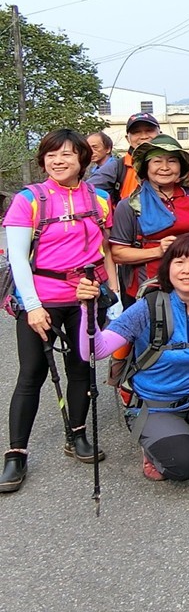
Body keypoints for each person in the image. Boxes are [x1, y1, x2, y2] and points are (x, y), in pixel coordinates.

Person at [73, 234, 189, 483]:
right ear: (168, 268)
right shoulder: (148, 307)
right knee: (183, 467)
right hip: (155, 404)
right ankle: (152, 443)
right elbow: (95, 351)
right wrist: (88, 310)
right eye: (179, 262)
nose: (187, 270)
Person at [1, 130, 115, 493]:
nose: (58, 160)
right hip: (42, 297)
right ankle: (16, 454)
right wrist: (32, 306)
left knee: (81, 367)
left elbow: (106, 251)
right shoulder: (29, 199)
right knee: (31, 373)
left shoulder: (99, 199)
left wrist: (112, 299)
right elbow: (17, 257)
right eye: (51, 154)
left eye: (67, 154)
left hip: (86, 295)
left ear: (83, 159)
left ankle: (77, 434)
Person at [109, 135, 189, 306]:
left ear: (180, 167)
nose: (164, 167)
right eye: (157, 161)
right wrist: (158, 251)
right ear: (146, 167)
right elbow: (118, 253)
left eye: (172, 161)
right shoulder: (129, 205)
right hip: (148, 289)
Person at [116, 113, 162, 201]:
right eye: (136, 132)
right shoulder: (117, 168)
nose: (144, 136)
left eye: (149, 130)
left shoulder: (178, 163)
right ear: (127, 138)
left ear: (160, 133)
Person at [85, 131, 121, 202]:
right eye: (88, 148)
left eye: (95, 147)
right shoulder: (93, 168)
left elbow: (86, 188)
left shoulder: (114, 166)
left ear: (108, 149)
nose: (90, 151)